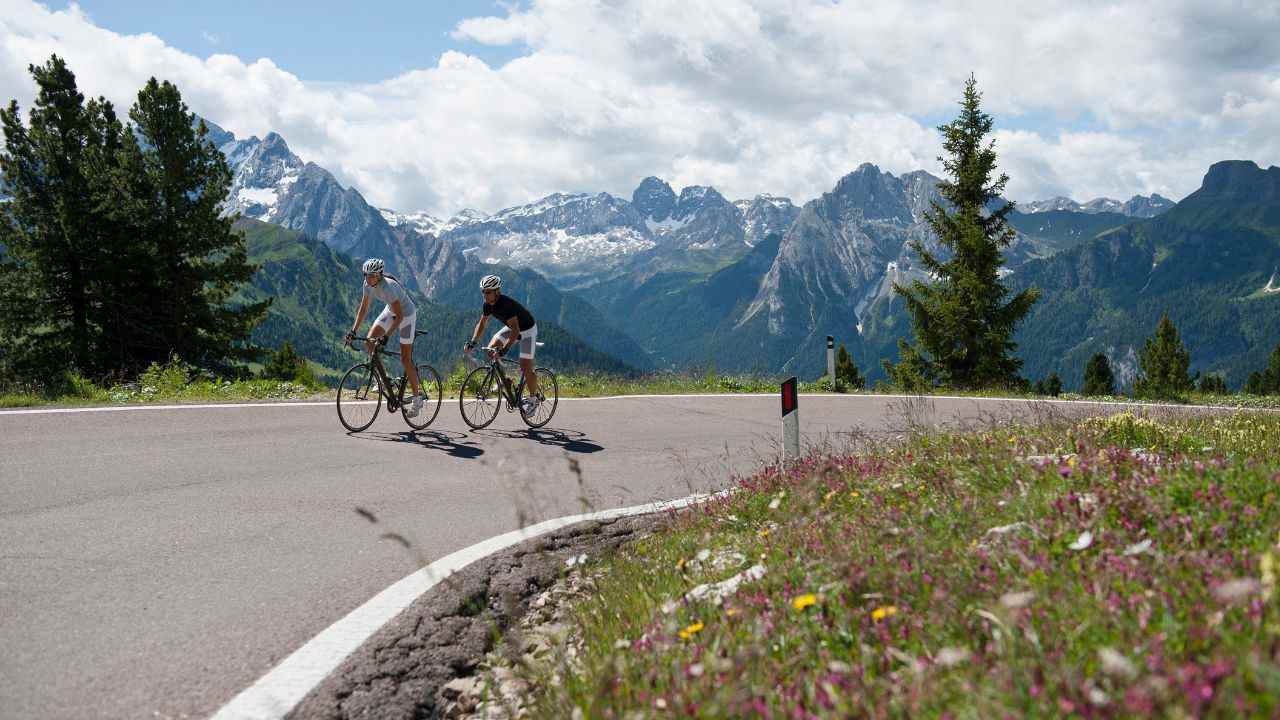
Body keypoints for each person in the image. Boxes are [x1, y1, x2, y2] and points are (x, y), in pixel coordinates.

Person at [345, 258, 424, 417]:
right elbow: (363, 308)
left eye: (372, 275)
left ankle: (417, 399)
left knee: (405, 359)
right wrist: (353, 330)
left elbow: (400, 316)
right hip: (390, 311)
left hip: (406, 314)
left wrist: (386, 336)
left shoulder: (388, 287)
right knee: (369, 342)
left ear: (380, 275)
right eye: (366, 275)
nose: (369, 278)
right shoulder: (366, 285)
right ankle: (384, 381)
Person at [463, 274, 542, 413]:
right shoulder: (487, 304)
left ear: (497, 291)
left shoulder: (506, 305)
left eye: (488, 292)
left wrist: (504, 350)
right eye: (483, 292)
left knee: (525, 365)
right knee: (491, 349)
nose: (485, 295)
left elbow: (516, 331)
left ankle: (533, 399)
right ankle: (506, 381)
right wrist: (473, 341)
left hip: (527, 330)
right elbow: (482, 324)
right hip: (513, 327)